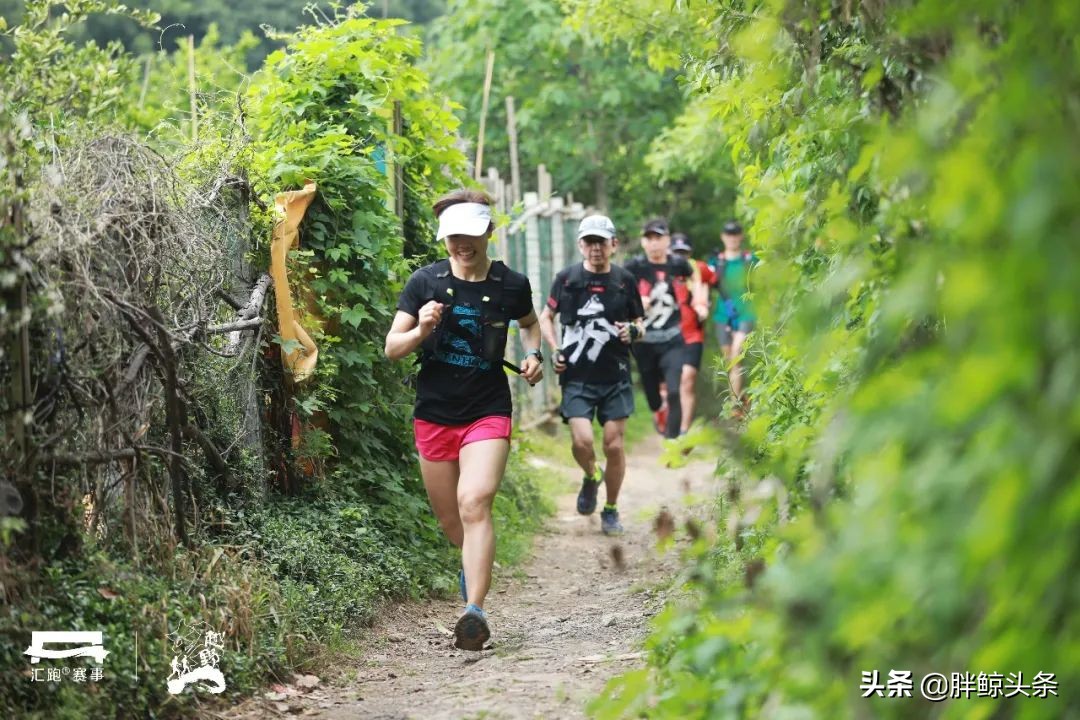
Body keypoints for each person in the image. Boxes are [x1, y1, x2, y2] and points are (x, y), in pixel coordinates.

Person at [384, 189, 543, 651]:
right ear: (444, 239)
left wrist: (533, 353)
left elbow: (530, 323)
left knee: (475, 502)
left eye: (471, 235)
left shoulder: (511, 285)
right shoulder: (424, 283)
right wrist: (422, 328)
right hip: (434, 413)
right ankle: (471, 571)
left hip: (487, 409)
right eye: (453, 236)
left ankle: (474, 612)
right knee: (453, 521)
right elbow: (392, 348)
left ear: (488, 233)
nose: (462, 244)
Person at [538, 215, 645, 536]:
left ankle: (610, 509)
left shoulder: (625, 280)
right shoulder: (566, 279)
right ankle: (590, 474)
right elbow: (546, 316)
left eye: (602, 242)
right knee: (582, 441)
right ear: (581, 245)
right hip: (577, 377)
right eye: (590, 242)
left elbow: (641, 322)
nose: (596, 248)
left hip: (616, 376)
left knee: (614, 445)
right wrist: (555, 348)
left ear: (613, 245)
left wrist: (635, 330)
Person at [624, 218, 699, 440]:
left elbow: (695, 277)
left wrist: (700, 299)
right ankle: (659, 410)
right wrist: (636, 302)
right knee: (653, 398)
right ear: (643, 242)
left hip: (672, 338)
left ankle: (672, 440)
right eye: (649, 238)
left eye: (659, 238)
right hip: (644, 341)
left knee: (675, 390)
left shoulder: (678, 264)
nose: (654, 243)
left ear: (667, 240)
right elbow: (618, 292)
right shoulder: (633, 267)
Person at [708, 221, 757, 414]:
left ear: (741, 236)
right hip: (723, 316)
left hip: (747, 313)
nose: (732, 238)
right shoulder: (716, 263)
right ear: (723, 237)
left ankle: (734, 408)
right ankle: (739, 400)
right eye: (729, 234)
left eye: (736, 234)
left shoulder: (750, 259)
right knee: (730, 362)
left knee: (737, 356)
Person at [670, 232, 714, 434]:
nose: (680, 257)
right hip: (667, 337)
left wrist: (705, 303)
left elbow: (716, 282)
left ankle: (684, 431)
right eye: (676, 252)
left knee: (687, 381)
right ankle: (669, 425)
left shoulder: (699, 270)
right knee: (669, 386)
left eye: (684, 253)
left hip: (693, 335)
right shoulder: (662, 273)